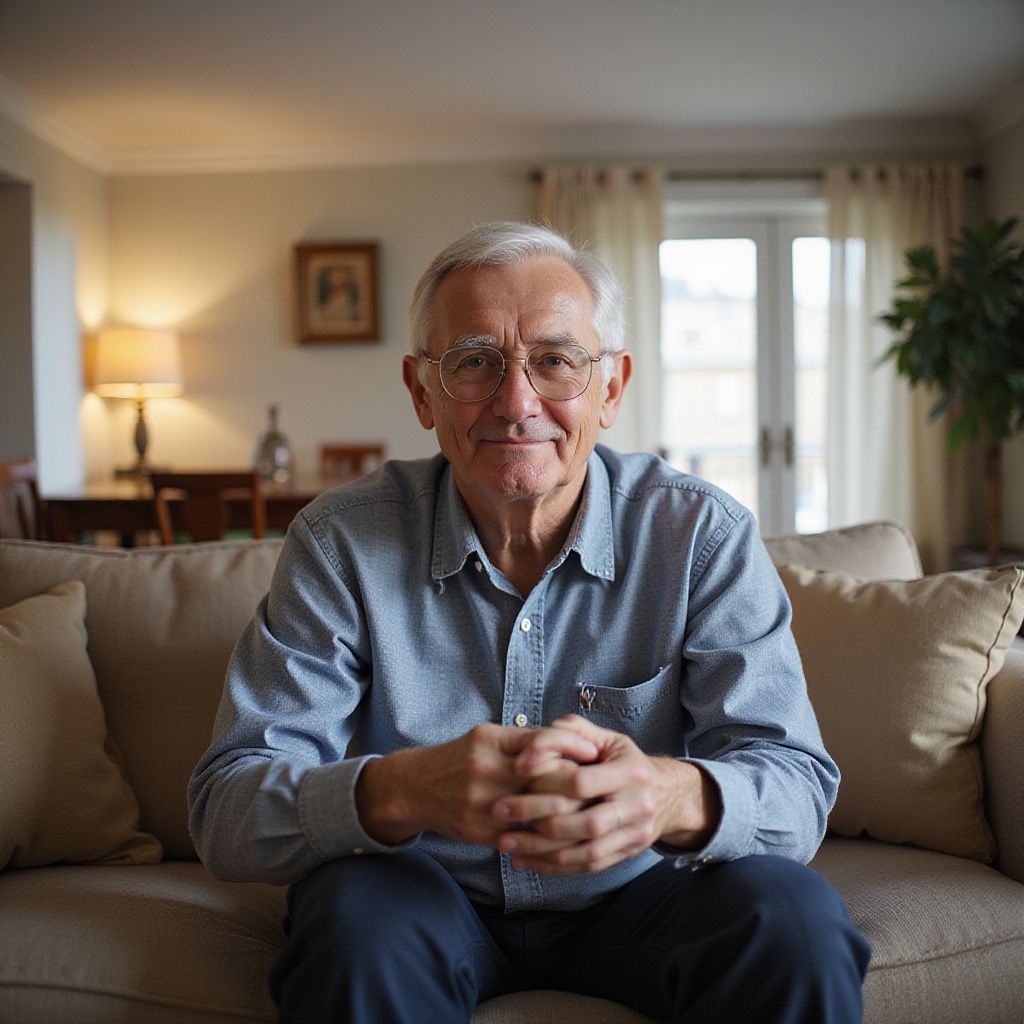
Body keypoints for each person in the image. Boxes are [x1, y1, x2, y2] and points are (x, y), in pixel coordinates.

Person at [188, 221, 870, 1023]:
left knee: (794, 920)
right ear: (420, 391)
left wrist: (669, 796)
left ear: (611, 388)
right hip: (419, 889)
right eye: (474, 361)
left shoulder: (701, 536)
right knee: (351, 922)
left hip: (646, 893)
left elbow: (795, 782)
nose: (516, 403)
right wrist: (403, 790)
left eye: (555, 361)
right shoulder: (339, 543)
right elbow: (226, 809)